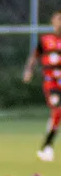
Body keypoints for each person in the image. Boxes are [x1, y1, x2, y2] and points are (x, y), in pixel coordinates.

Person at [22, 10, 61, 162]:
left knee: (56, 115)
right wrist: (28, 71)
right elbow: (34, 56)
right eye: (58, 19)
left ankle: (47, 146)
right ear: (52, 22)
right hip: (52, 84)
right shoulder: (45, 40)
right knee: (57, 110)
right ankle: (47, 146)